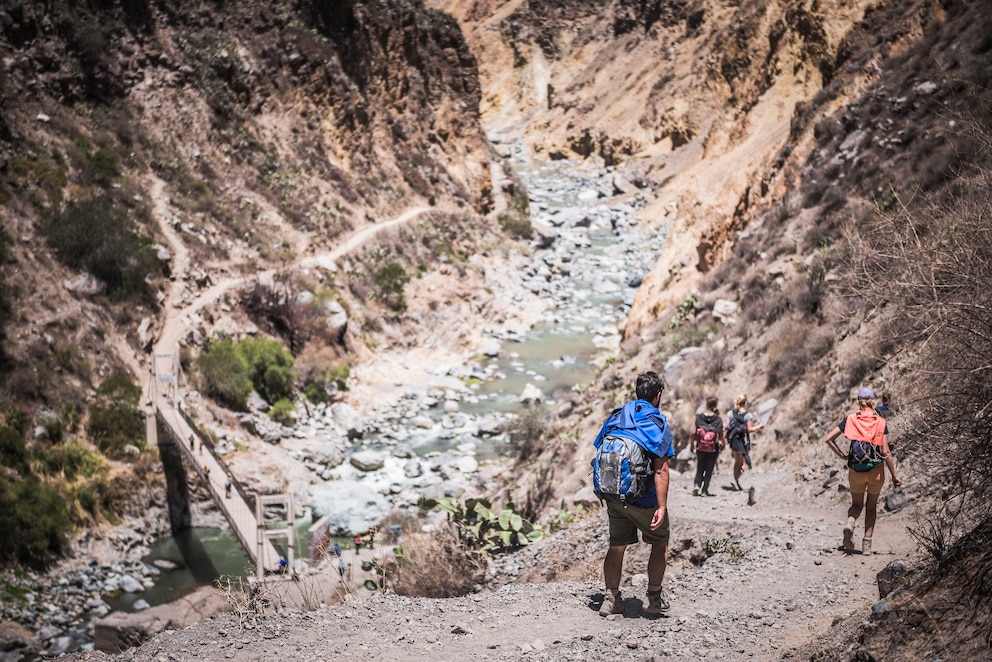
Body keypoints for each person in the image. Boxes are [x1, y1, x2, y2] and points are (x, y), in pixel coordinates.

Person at [595, 371, 674, 618]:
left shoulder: (617, 417)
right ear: (658, 396)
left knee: (617, 547)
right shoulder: (657, 423)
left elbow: (600, 449)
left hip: (615, 497)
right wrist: (661, 506)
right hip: (645, 500)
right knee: (659, 544)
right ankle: (653, 599)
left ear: (637, 393)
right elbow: (660, 470)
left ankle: (610, 600)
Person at [822, 387, 902, 555]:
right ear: (873, 402)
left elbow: (828, 439)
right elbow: (886, 451)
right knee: (871, 507)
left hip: (855, 471)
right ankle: (867, 545)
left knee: (856, 505)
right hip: (876, 471)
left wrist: (843, 456)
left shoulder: (850, 419)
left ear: (858, 402)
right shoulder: (880, 422)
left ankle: (850, 523)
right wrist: (895, 476)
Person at [727, 394, 764, 491]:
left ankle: (735, 481)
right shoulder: (748, 415)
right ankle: (736, 480)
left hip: (733, 440)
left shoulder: (731, 413)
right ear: (745, 402)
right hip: (743, 441)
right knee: (743, 463)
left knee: (737, 461)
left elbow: (726, 426)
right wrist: (759, 427)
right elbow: (749, 429)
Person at [691, 396, 725, 497]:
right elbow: (721, 434)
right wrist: (723, 443)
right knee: (709, 469)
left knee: (700, 466)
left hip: (700, 446)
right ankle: (704, 490)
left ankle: (697, 485)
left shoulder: (700, 417)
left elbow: (693, 433)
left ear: (706, 404)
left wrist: (691, 444)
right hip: (713, 448)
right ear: (715, 405)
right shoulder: (718, 419)